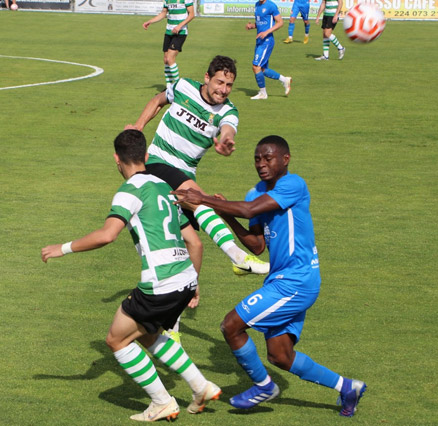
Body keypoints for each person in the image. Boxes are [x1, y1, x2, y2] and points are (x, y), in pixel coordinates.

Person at [173, 135, 367, 417]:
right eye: (257, 159)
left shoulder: (293, 184)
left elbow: (250, 209)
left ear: (285, 160)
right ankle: (347, 386)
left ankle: (263, 386)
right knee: (280, 356)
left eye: (268, 158)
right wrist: (225, 214)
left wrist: (202, 200)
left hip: (297, 281)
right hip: (282, 279)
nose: (261, 164)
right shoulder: (255, 194)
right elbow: (256, 244)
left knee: (230, 326)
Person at [41, 129, 221, 422]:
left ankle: (162, 402)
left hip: (161, 283)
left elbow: (107, 235)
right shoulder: (164, 187)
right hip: (185, 278)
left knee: (116, 339)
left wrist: (63, 248)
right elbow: (195, 242)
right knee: (148, 335)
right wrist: (194, 284)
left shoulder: (130, 190)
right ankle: (201, 387)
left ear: (117, 159)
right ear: (146, 156)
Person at [126, 55, 269, 277]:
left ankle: (188, 291)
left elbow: (228, 129)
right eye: (219, 82)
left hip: (185, 172)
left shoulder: (228, 112)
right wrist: (138, 127)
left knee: (188, 243)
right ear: (207, 78)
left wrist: (225, 141)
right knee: (202, 200)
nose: (223, 90)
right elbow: (157, 100)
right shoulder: (183, 86)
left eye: (229, 85)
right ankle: (238, 257)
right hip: (157, 161)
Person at [143, 0, 195, 88]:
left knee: (170, 58)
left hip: (180, 32)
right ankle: (169, 87)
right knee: (166, 60)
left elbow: (192, 14)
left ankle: (178, 87)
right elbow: (163, 13)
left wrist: (179, 26)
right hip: (169, 31)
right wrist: (150, 21)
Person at [246, 0, 292, 100]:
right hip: (259, 40)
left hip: (267, 41)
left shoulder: (271, 5)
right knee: (262, 69)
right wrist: (252, 26)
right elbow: (260, 23)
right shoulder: (257, 5)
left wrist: (266, 32)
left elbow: (280, 22)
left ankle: (263, 93)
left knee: (256, 67)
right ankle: (285, 80)